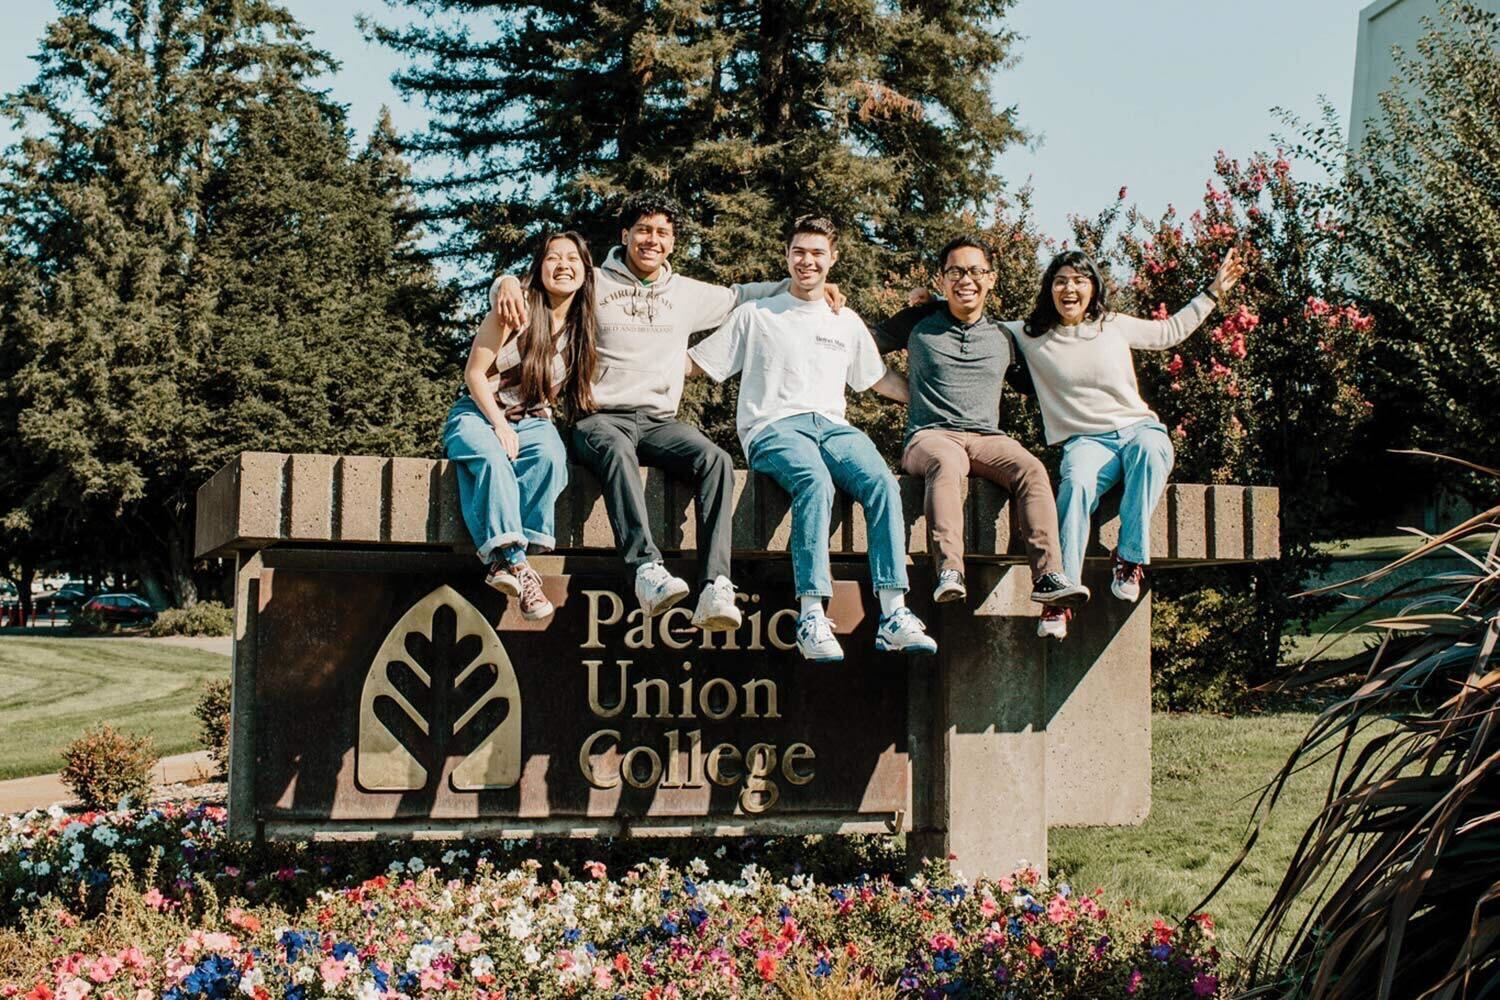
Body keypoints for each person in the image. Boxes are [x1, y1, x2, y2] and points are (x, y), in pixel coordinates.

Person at [491, 193, 843, 631]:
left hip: (659, 422)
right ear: (625, 236)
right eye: (643, 230)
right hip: (600, 419)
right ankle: (645, 569)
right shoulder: (594, 282)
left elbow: (746, 295)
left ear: (673, 242)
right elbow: (546, 281)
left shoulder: (688, 294)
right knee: (616, 454)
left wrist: (812, 289)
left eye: (662, 233)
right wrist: (504, 280)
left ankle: (715, 584)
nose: (651, 240)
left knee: (715, 460)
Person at [688, 216, 938, 663]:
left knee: (882, 482)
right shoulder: (756, 314)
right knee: (815, 482)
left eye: (817, 253)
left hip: (834, 427)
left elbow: (879, 380)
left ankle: (893, 614)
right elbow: (697, 365)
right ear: (786, 256)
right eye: (799, 251)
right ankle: (811, 616)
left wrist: (937, 406)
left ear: (833, 259)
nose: (808, 261)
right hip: (773, 427)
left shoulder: (844, 319)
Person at [1008, 247, 1245, 638]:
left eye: (1079, 280)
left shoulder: (1112, 324)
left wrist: (1213, 292)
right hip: (1086, 442)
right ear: (1049, 289)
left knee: (1153, 451)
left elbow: (1169, 332)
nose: (1070, 288)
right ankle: (1058, 593)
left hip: (1137, 431)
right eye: (1061, 280)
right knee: (1076, 485)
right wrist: (929, 303)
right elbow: (974, 324)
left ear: (1093, 288)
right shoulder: (1030, 334)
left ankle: (1129, 557)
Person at [871, 236, 1089, 637]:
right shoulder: (918, 321)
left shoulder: (1005, 337)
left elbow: (1050, 376)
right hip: (929, 437)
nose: (964, 280)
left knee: (1031, 468)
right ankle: (950, 570)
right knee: (947, 462)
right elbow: (857, 346)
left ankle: (1048, 577)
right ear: (941, 279)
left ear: (991, 279)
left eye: (974, 271)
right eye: (955, 271)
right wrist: (899, 387)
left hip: (987, 438)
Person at [444, 231, 600, 620]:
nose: (563, 265)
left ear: (585, 271)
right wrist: (498, 425)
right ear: (539, 267)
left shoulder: (584, 327)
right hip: (479, 411)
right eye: (553, 257)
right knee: (492, 459)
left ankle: (507, 561)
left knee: (550, 456)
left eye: (572, 259)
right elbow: (475, 374)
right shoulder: (514, 308)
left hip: (534, 417)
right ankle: (517, 564)